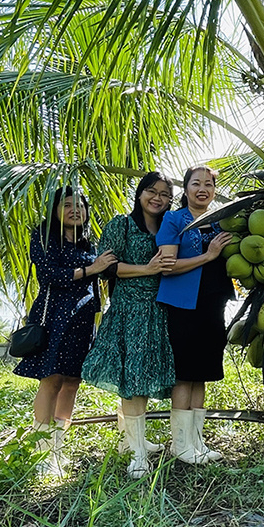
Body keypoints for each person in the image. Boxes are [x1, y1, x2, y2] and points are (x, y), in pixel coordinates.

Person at [82, 172, 178, 478]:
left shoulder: (170, 227)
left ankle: (134, 440)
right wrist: (146, 268)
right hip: (129, 310)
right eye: (152, 191)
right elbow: (106, 267)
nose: (158, 198)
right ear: (140, 194)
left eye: (165, 194)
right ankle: (137, 453)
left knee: (145, 375)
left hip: (159, 310)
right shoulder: (120, 225)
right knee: (133, 378)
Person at [15, 188, 117, 475]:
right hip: (54, 317)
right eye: (68, 205)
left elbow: (102, 273)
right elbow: (49, 275)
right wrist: (90, 269)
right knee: (51, 379)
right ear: (56, 210)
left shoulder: (90, 244)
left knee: (72, 381)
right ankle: (41, 452)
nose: (75, 210)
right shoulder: (45, 238)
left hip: (83, 320)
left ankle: (57, 449)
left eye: (80, 206)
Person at [156, 165, 234, 465]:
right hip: (182, 305)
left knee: (202, 374)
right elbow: (167, 264)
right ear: (186, 189)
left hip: (213, 304)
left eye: (208, 185)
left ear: (214, 191)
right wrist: (208, 255)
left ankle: (196, 443)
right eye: (196, 183)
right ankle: (180, 445)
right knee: (184, 375)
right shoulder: (173, 220)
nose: (202, 189)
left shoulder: (221, 223)